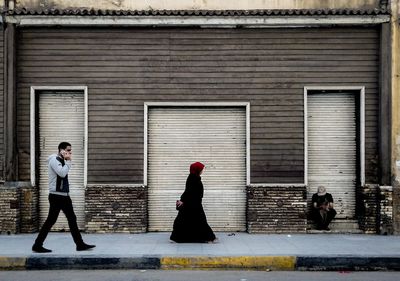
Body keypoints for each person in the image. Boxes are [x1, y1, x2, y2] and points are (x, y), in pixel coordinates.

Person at [32, 142, 95, 253]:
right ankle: (37, 245)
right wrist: (69, 161)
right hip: (56, 196)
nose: (70, 152)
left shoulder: (62, 161)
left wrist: (67, 161)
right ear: (61, 150)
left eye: (70, 150)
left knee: (72, 219)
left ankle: (79, 244)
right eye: (68, 150)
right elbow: (62, 173)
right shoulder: (54, 160)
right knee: (51, 221)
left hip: (64, 196)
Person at [170, 162, 217, 243]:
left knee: (185, 221)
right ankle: (209, 238)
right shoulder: (193, 178)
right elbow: (188, 191)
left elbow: (188, 191)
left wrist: (183, 200)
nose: (203, 170)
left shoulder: (194, 177)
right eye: (201, 169)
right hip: (193, 204)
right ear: (197, 170)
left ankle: (179, 237)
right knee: (199, 221)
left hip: (194, 203)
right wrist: (183, 200)